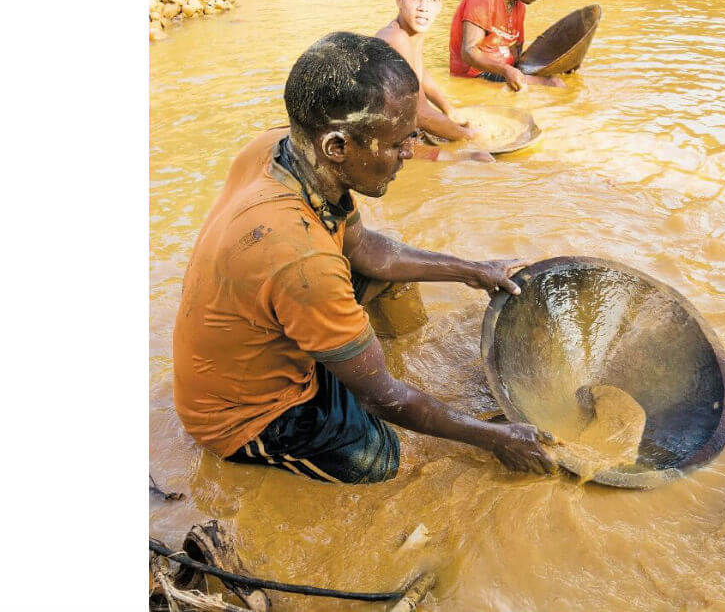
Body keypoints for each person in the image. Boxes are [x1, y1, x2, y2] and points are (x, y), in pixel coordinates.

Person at [172, 32, 557, 485]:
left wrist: (472, 271)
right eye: (397, 144)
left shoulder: (288, 149)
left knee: (393, 278)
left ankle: (372, 357)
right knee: (385, 462)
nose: (410, 153)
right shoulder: (301, 258)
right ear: (337, 147)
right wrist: (496, 438)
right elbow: (383, 398)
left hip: (270, 318)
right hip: (245, 415)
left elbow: (366, 249)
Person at [377, 0, 477, 146]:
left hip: (400, 132)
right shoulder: (397, 38)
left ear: (439, 5)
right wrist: (470, 136)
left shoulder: (412, 34)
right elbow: (421, 114)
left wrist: (449, 109)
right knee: (480, 158)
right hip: (382, 145)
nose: (423, 6)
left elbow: (420, 74)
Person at [449, 0, 564, 91]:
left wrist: (560, 64)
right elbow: (469, 52)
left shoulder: (520, 6)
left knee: (555, 77)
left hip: (502, 72)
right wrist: (506, 70)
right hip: (476, 75)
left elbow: (517, 56)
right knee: (555, 84)